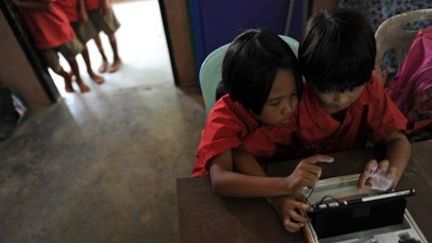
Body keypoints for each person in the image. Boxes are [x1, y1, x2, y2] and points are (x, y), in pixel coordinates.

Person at [192, 29, 335, 232]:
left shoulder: (288, 107)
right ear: (245, 99)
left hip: (266, 182)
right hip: (226, 202)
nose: (289, 107)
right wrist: (285, 186)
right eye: (275, 102)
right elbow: (220, 180)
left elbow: (242, 154)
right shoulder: (223, 117)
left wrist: (279, 198)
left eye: (294, 94)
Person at [297, 8, 411, 190]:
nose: (341, 99)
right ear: (307, 78)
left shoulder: (369, 86)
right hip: (292, 184)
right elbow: (246, 154)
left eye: (352, 89)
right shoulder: (290, 98)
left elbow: (398, 140)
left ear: (369, 73)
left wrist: (389, 174)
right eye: (328, 90)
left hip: (347, 181)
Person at [14, 0, 90, 93]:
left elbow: (47, 5)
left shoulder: (21, 3)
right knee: (54, 66)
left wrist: (21, 4)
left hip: (57, 25)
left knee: (71, 57)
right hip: (39, 32)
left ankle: (79, 80)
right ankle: (66, 77)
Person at [57, 0, 105, 84]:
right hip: (57, 18)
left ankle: (90, 71)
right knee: (67, 48)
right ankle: (75, 71)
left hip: (72, 13)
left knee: (82, 44)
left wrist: (82, 10)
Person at [84, 0, 122, 73]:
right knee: (94, 35)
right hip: (85, 9)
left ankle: (116, 58)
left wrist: (104, 2)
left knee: (110, 31)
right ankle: (104, 59)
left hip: (99, 5)